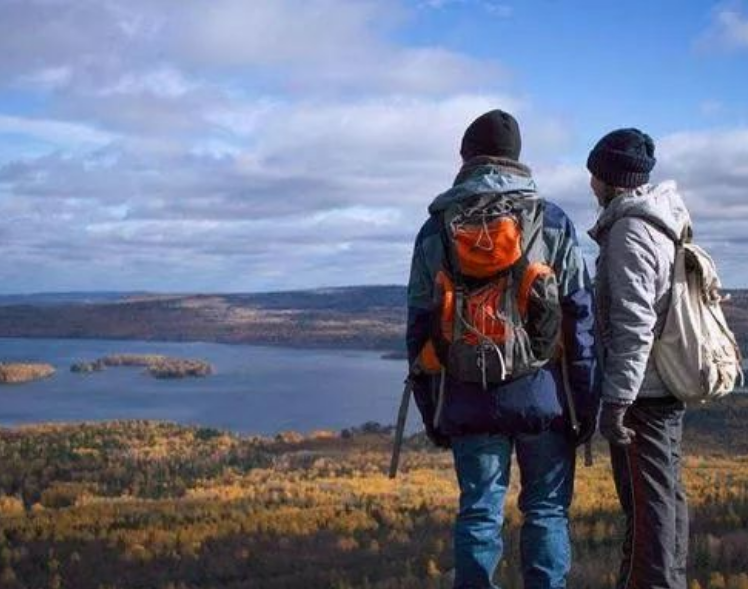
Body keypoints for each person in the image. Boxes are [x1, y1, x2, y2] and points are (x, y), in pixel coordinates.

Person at [406, 109, 599, 589]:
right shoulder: (550, 221)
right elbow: (580, 319)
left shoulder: (436, 229)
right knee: (547, 509)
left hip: (469, 396)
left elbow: (419, 329)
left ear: (466, 157)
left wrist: (435, 412)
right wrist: (585, 403)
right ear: (517, 159)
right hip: (545, 398)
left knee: (478, 513)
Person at [587, 128, 692, 589]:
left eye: (594, 173)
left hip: (643, 398)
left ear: (608, 178)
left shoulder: (629, 231)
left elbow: (633, 328)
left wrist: (615, 403)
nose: (589, 182)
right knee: (665, 502)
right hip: (660, 388)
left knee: (648, 514)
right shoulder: (659, 220)